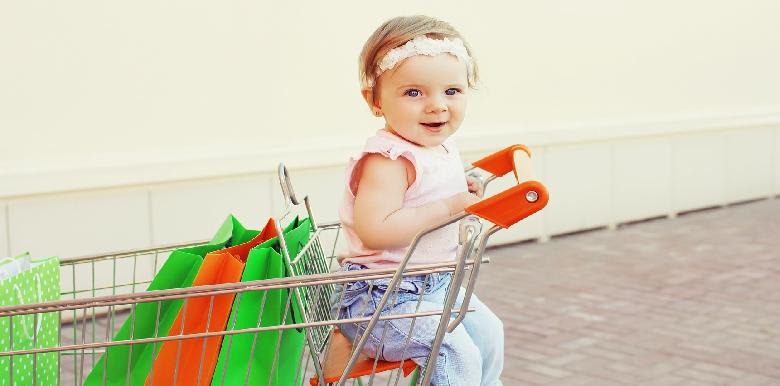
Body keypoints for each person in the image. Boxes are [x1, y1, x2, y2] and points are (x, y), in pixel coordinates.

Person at [332, 15, 504, 386]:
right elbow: (377, 230)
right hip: (381, 301)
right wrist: (448, 207)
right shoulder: (388, 160)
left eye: (452, 91)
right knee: (452, 348)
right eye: (414, 93)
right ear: (375, 101)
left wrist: (461, 188)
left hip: (434, 286)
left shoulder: (438, 146)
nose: (437, 106)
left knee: (489, 333)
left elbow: (427, 190)